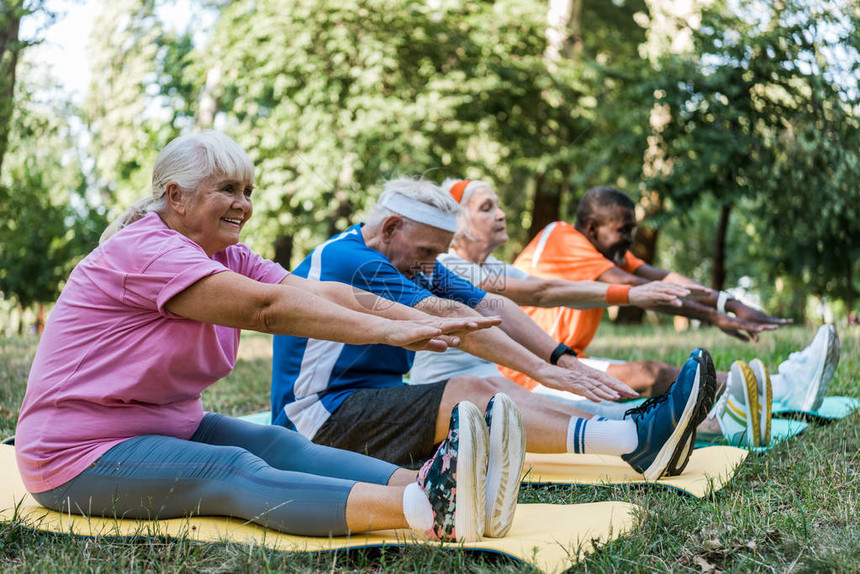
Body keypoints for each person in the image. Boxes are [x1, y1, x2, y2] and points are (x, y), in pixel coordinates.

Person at [14, 131, 524, 544]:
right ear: (176, 196)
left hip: (167, 426)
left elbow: (326, 294)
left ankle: (443, 484)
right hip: (76, 452)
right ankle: (425, 509)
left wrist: (412, 318)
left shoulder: (227, 254)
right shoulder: (145, 252)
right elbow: (268, 309)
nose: (243, 204)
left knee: (276, 442)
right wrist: (390, 332)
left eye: (248, 192)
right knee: (232, 468)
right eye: (228, 189)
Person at [271, 176, 717, 482]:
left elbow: (496, 300)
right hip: (314, 421)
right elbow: (455, 318)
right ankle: (635, 438)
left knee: (494, 391)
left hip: (368, 403)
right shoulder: (357, 261)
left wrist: (558, 356)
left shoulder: (424, 263)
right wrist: (548, 370)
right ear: (390, 228)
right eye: (488, 207)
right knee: (474, 392)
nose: (431, 265)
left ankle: (643, 431)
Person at [418, 180, 839, 446]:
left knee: (623, 394)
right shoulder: (550, 240)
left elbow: (654, 277)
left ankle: (751, 402)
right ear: (456, 222)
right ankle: (738, 411)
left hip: (540, 367)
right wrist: (707, 312)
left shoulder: (496, 269)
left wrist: (725, 302)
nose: (502, 212)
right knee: (629, 389)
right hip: (521, 375)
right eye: (487, 207)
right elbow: (547, 289)